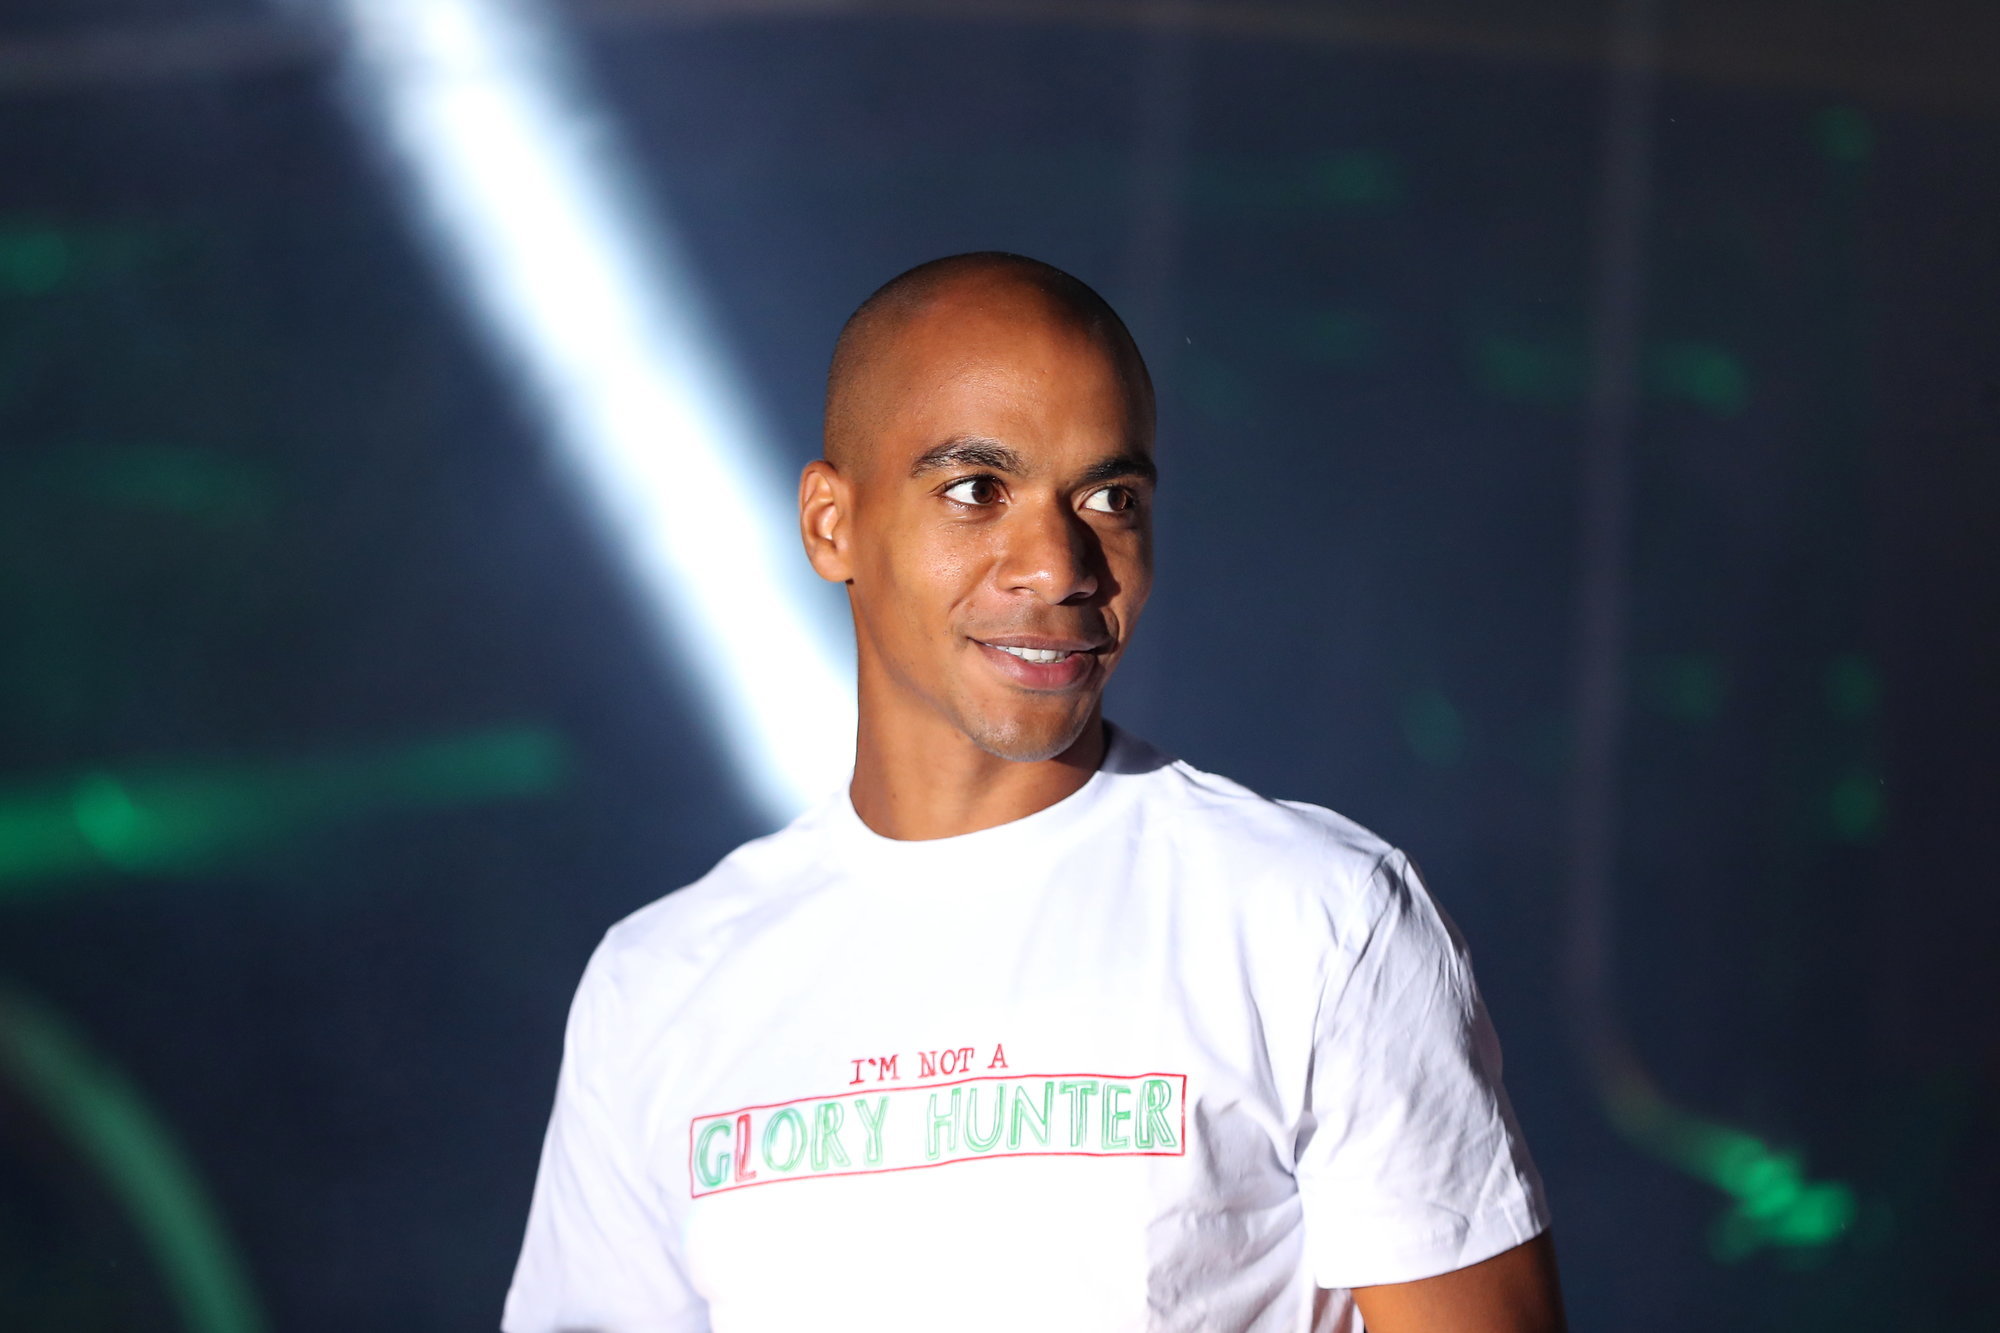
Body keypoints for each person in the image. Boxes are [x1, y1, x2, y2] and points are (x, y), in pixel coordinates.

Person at [502, 252, 1564, 1333]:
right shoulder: (660, 982)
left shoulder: (1315, 920)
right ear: (831, 524)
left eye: (1110, 498)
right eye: (976, 490)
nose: (1057, 565)